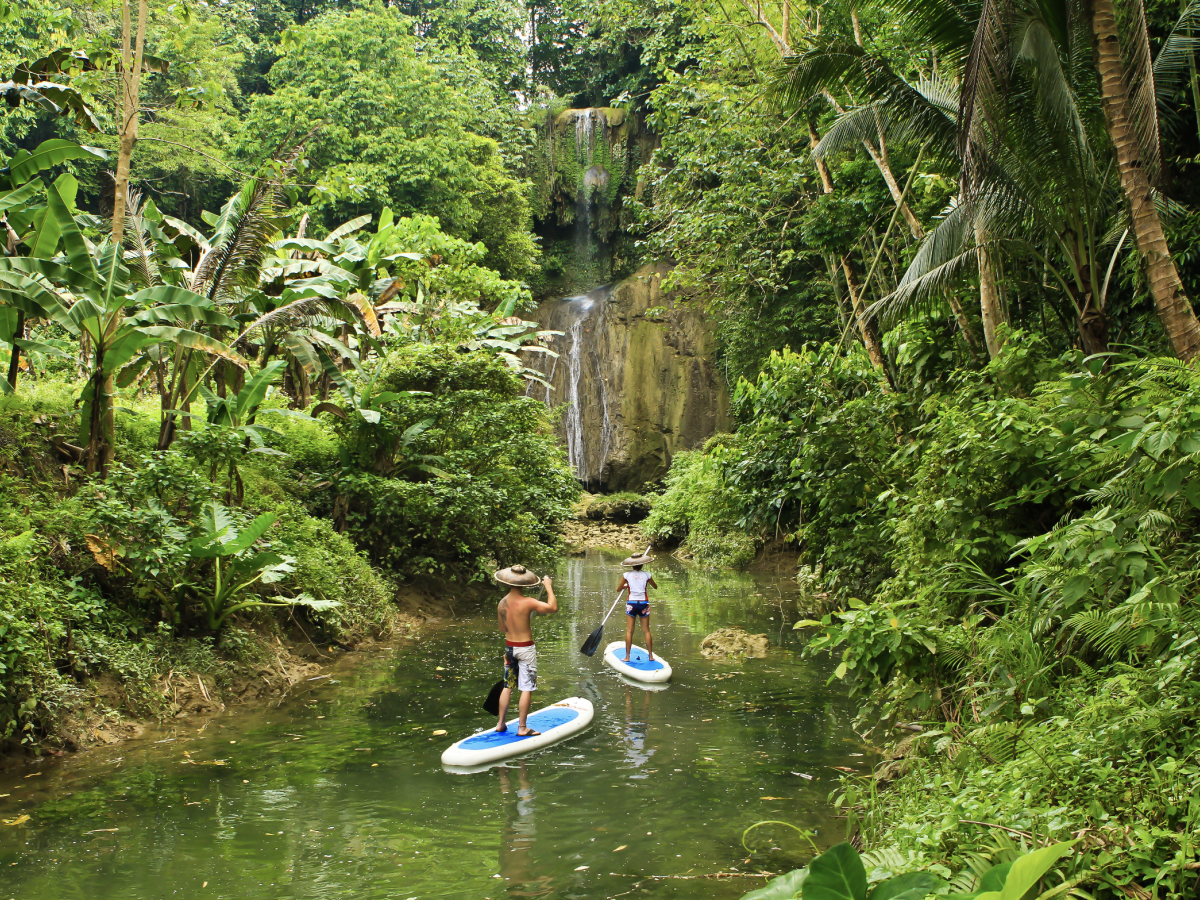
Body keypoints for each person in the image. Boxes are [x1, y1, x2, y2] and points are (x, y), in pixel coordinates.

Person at [494, 564, 557, 736]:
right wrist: (548, 587)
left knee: (508, 686)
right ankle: (522, 728)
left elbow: (503, 628)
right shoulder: (528, 602)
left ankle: (500, 723)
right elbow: (553, 608)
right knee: (526, 688)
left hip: (509, 648)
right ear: (524, 584)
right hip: (525, 649)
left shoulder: (502, 603)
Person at [617, 549, 657, 661]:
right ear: (642, 565)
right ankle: (651, 656)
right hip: (644, 603)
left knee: (629, 630)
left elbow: (618, 589)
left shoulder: (626, 575)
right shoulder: (647, 575)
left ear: (632, 565)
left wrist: (626, 586)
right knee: (646, 630)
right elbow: (655, 586)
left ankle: (627, 657)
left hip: (632, 604)